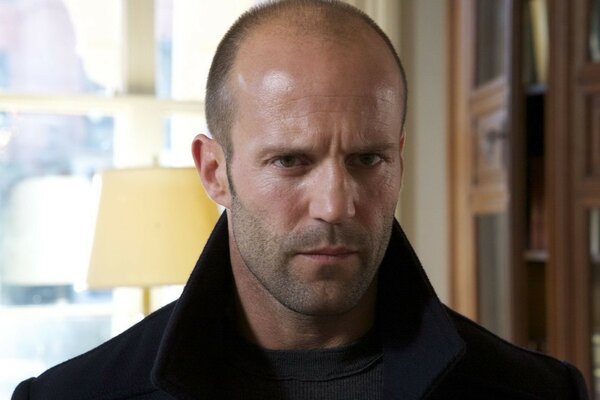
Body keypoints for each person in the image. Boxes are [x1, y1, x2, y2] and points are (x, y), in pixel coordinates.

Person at [12, 1, 589, 399]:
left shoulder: (538, 395)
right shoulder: (69, 398)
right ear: (214, 172)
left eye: (367, 159)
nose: (334, 206)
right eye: (290, 161)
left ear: (399, 159)